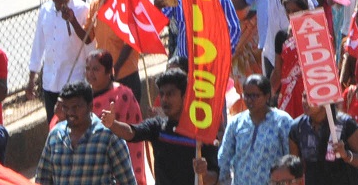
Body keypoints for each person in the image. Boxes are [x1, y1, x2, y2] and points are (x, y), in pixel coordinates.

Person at [103, 69, 221, 184]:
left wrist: (203, 173)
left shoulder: (202, 133)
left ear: (185, 96)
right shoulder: (157, 127)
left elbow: (214, 178)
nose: (164, 99)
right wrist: (113, 124)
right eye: (162, 94)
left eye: (170, 94)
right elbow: (132, 132)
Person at [37, 80, 138, 185]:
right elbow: (42, 179)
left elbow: (128, 181)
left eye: (76, 107)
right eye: (66, 108)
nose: (70, 113)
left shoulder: (108, 136)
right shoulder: (55, 135)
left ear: (90, 106)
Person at [29, 0, 91, 121]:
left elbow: (89, 43)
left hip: (74, 83)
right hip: (50, 84)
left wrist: (72, 20)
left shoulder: (82, 9)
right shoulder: (45, 11)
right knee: (54, 126)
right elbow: (38, 45)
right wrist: (31, 79)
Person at [80, 51, 146, 183]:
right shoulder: (82, 98)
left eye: (96, 69)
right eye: (87, 69)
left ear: (109, 71)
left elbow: (133, 133)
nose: (90, 74)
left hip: (121, 165)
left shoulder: (123, 96)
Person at [219, 74, 295, 185]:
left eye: (254, 96)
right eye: (247, 95)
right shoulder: (236, 123)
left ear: (267, 96)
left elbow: (291, 159)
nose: (249, 100)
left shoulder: (282, 121)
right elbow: (224, 158)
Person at [288, 96, 358, 185]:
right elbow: (295, 166)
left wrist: (345, 155)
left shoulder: (346, 123)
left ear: (324, 99)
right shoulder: (297, 127)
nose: (305, 101)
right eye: (304, 97)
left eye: (310, 96)